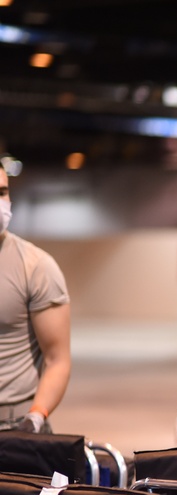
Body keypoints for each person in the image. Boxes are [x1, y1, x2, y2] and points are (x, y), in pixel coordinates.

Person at [0, 163, 71, 434]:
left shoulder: (36, 266)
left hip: (16, 424)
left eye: (3, 192)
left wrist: (36, 416)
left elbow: (57, 359)